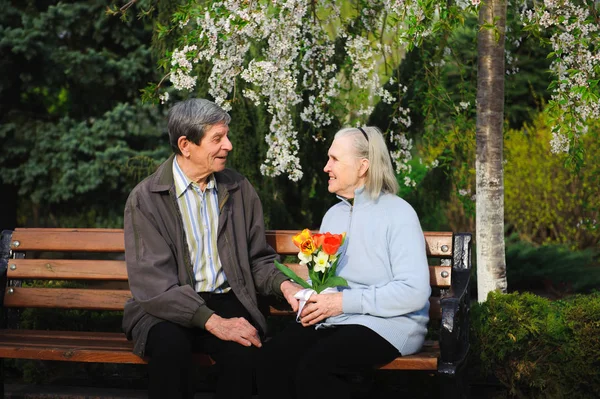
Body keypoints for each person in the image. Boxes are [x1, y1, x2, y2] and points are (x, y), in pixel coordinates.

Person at [122, 98, 302, 399]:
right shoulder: (146, 198)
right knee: (170, 351)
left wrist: (283, 284)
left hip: (226, 298)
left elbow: (258, 259)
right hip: (165, 307)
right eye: (217, 138)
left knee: (245, 354)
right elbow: (154, 285)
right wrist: (213, 322)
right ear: (185, 145)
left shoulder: (239, 189)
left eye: (226, 136)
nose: (228, 145)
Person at [257, 126, 431, 399]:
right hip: (339, 321)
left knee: (316, 368)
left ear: (363, 166)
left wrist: (341, 303)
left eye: (335, 159)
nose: (326, 167)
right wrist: (314, 299)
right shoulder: (333, 215)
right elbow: (327, 283)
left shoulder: (399, 213)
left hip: (391, 325)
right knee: (272, 359)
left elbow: (414, 292)